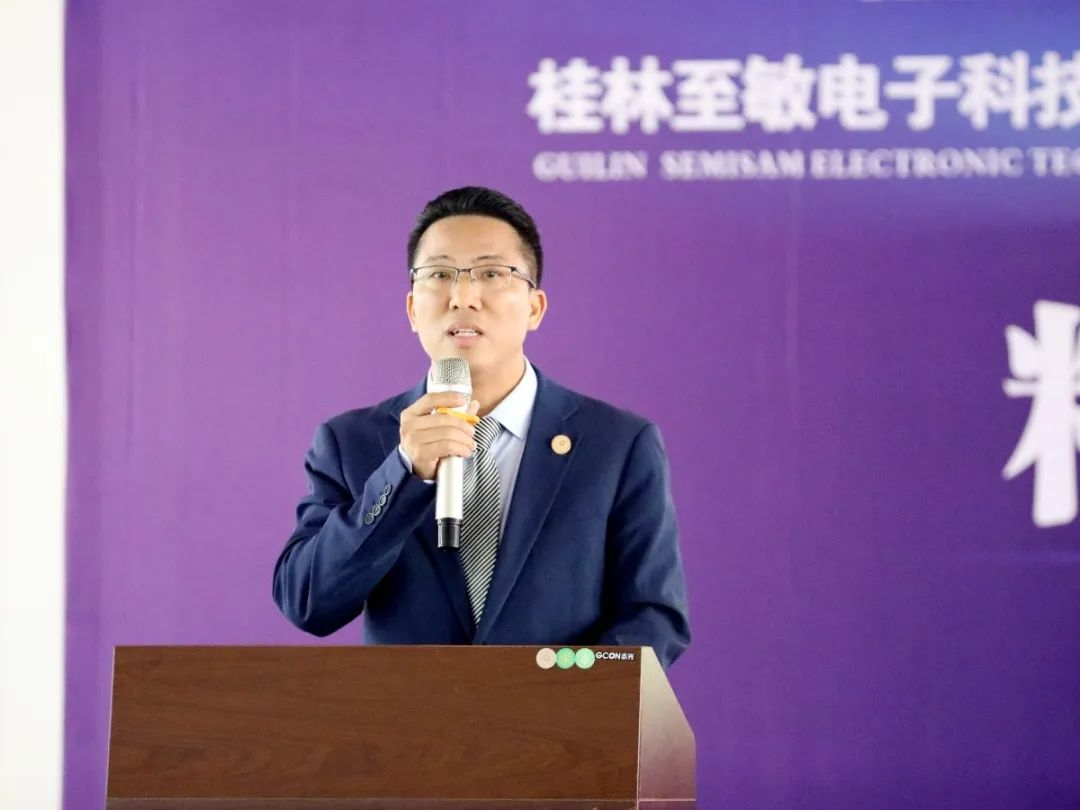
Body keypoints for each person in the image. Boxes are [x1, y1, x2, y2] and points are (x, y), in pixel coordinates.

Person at [272, 186, 690, 667]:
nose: (463, 297)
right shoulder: (352, 442)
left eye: (491, 273)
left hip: (560, 714)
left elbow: (653, 617)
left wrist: (564, 691)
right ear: (412, 310)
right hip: (410, 716)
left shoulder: (616, 444)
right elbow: (308, 602)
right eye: (440, 274)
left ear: (535, 308)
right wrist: (403, 472)